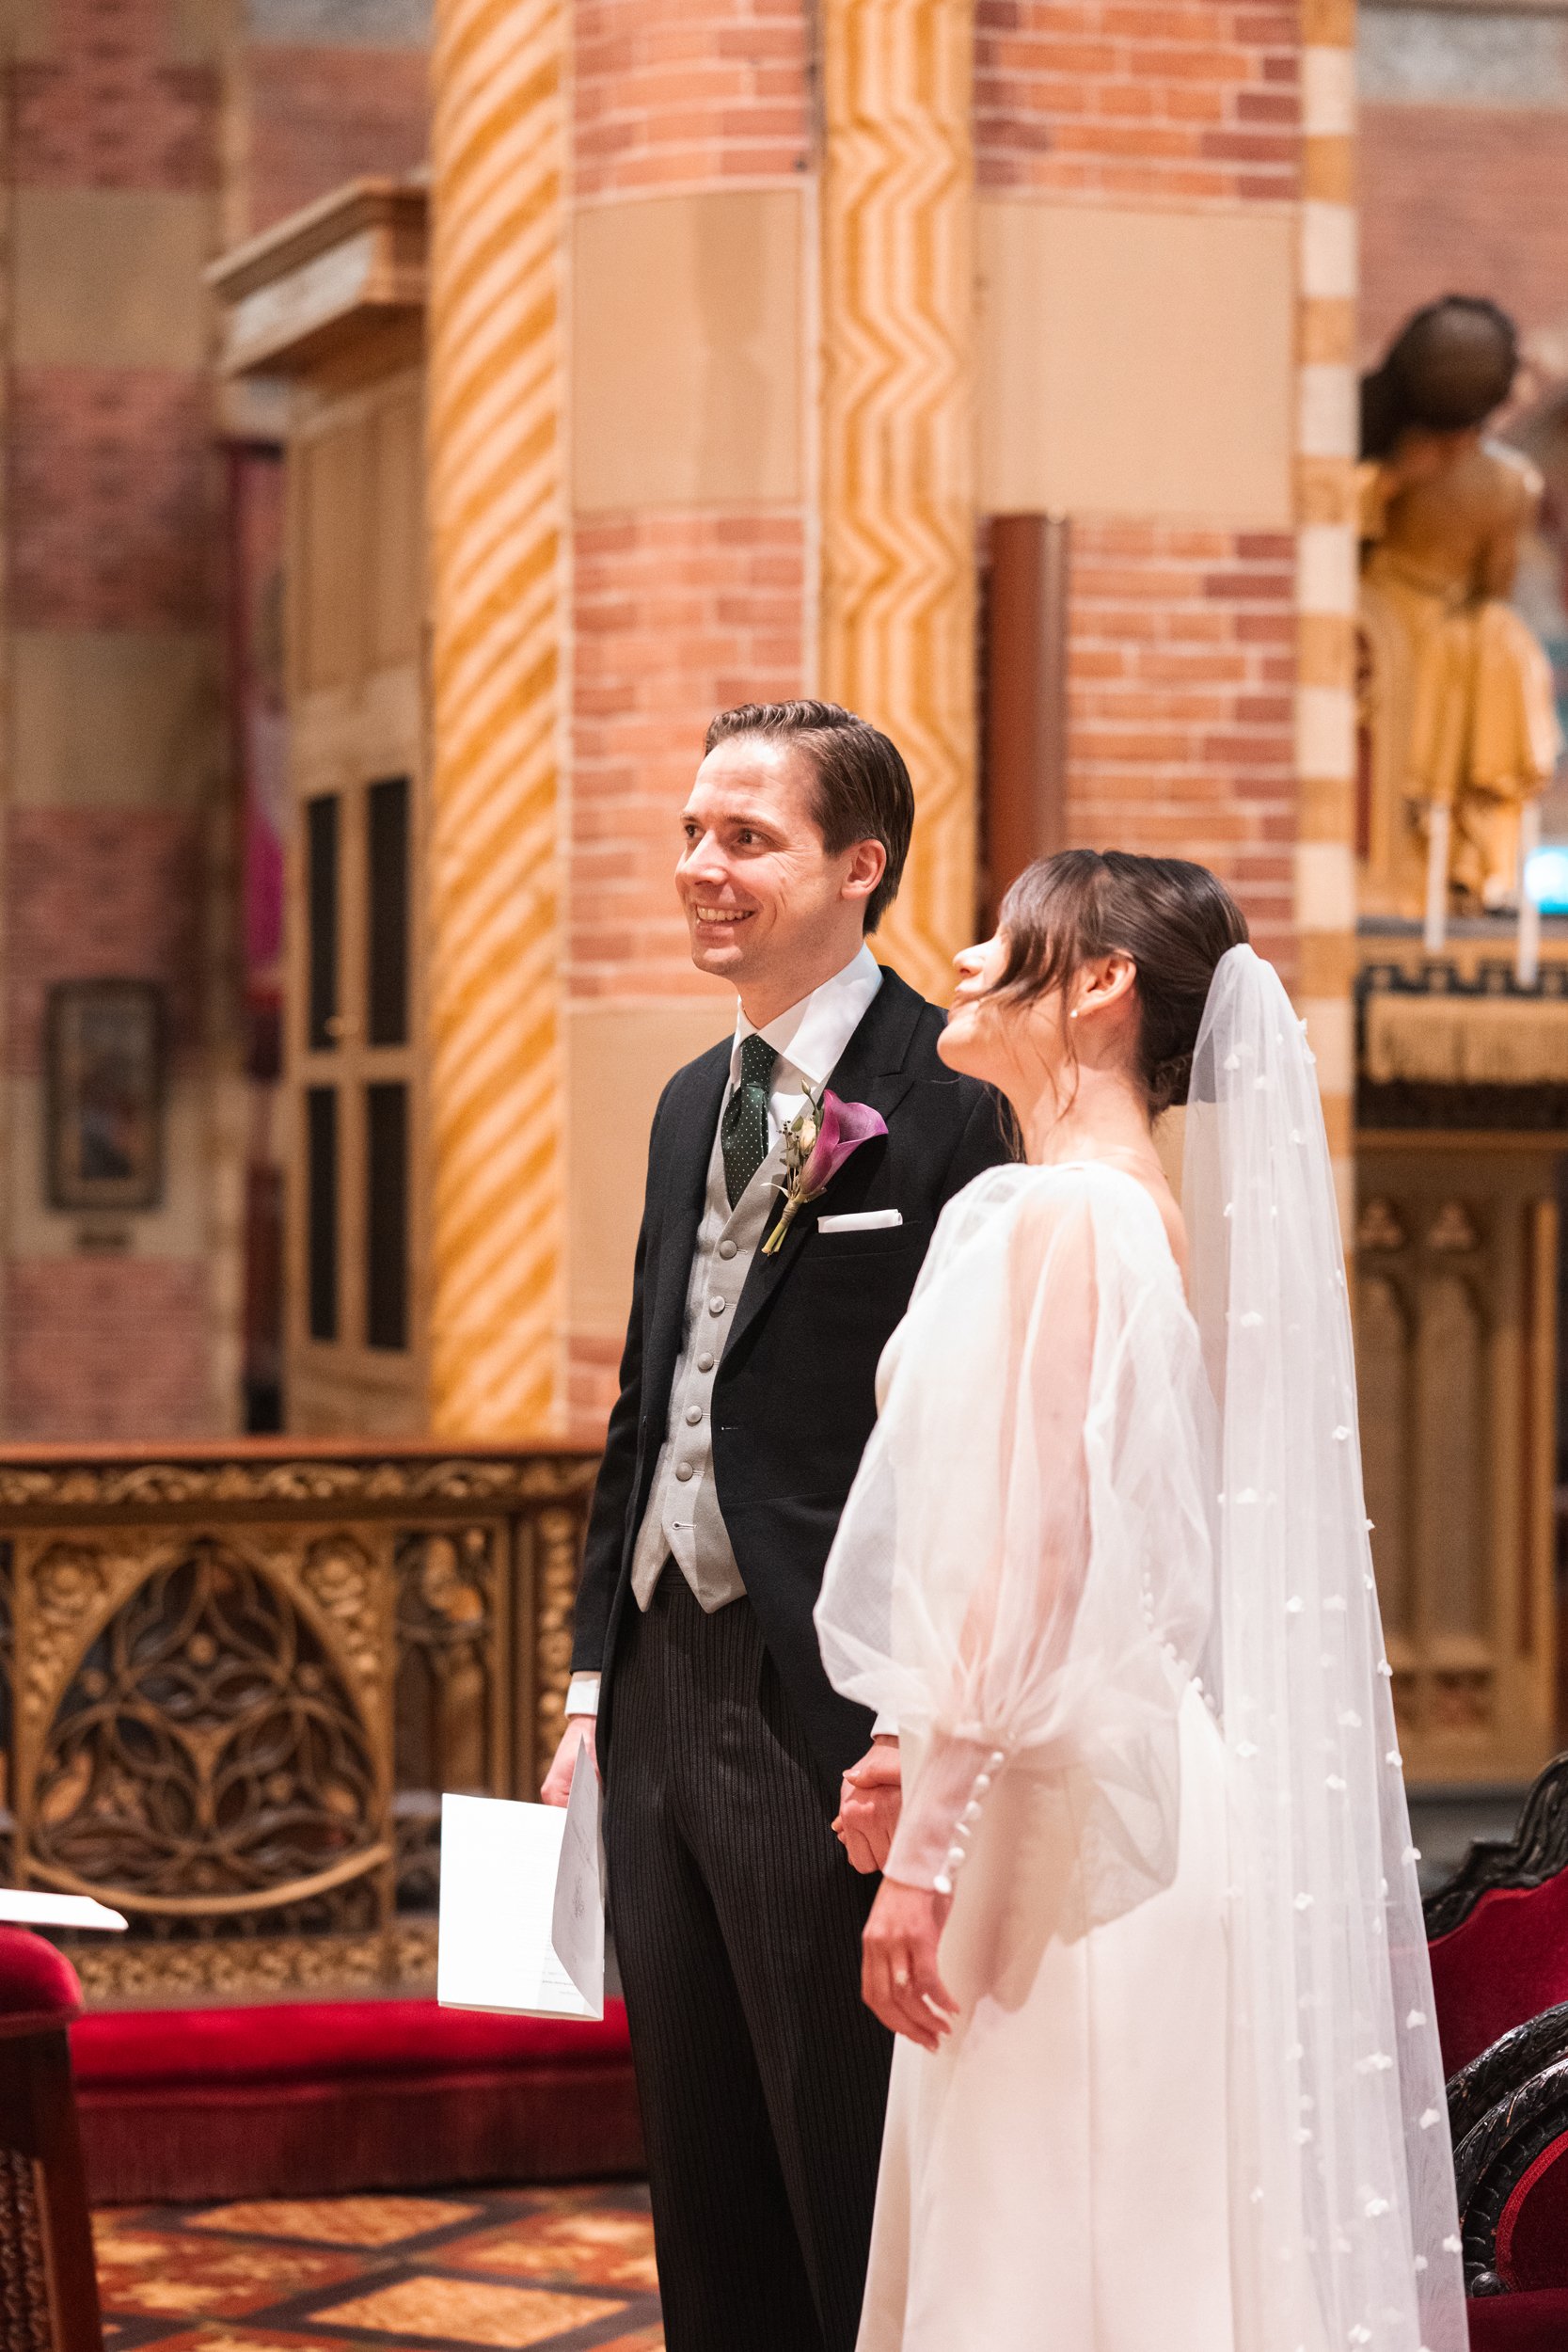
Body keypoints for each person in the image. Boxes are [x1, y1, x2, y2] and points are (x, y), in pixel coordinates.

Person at [816, 850, 1468, 2352]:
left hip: (1073, 1839)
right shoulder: (1095, 1209)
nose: (967, 966)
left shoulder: (1064, 1220)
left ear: (1099, 982)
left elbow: (1039, 1560)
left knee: (1054, 2257)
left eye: (1007, 940)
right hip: (1100, 1795)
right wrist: (913, 1745)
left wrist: (921, 1854)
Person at [541, 700, 1011, 2352]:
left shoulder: (951, 1102)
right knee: (698, 2156)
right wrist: (594, 1691)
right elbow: (643, 1402)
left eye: (745, 839)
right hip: (662, 1687)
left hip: (827, 1703)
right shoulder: (689, 1101)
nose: (699, 869)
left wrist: (919, 1729)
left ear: (855, 865)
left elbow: (976, 1449)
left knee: (840, 2147)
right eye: (691, 833)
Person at [1358, 294, 1560, 914]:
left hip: (1377, 618)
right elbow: (1494, 582)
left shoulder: (1378, 465)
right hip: (1454, 636)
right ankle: (1474, 863)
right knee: (1501, 644)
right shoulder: (1507, 483)